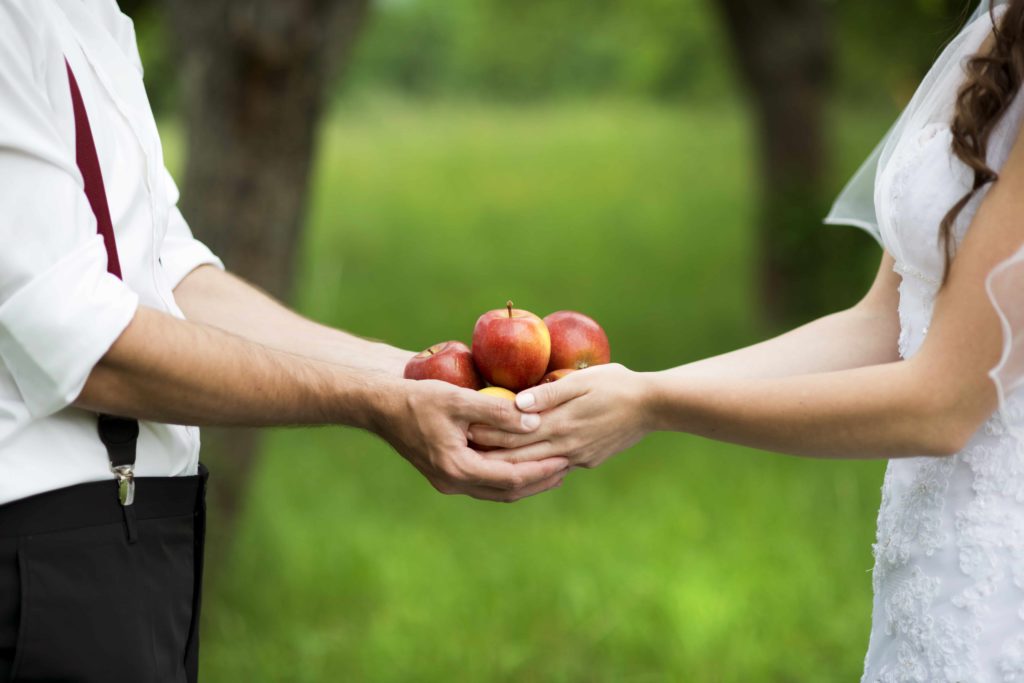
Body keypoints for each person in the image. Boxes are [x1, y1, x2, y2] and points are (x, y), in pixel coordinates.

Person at [0, 1, 569, 680]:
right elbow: (84, 340)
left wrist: (416, 375)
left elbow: (167, 276)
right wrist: (371, 402)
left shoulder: (90, 17)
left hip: (136, 541)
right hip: (39, 561)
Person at [473, 0, 1024, 679]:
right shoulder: (997, 35)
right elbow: (883, 324)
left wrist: (658, 405)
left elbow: (942, 405)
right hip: (930, 574)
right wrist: (646, 387)